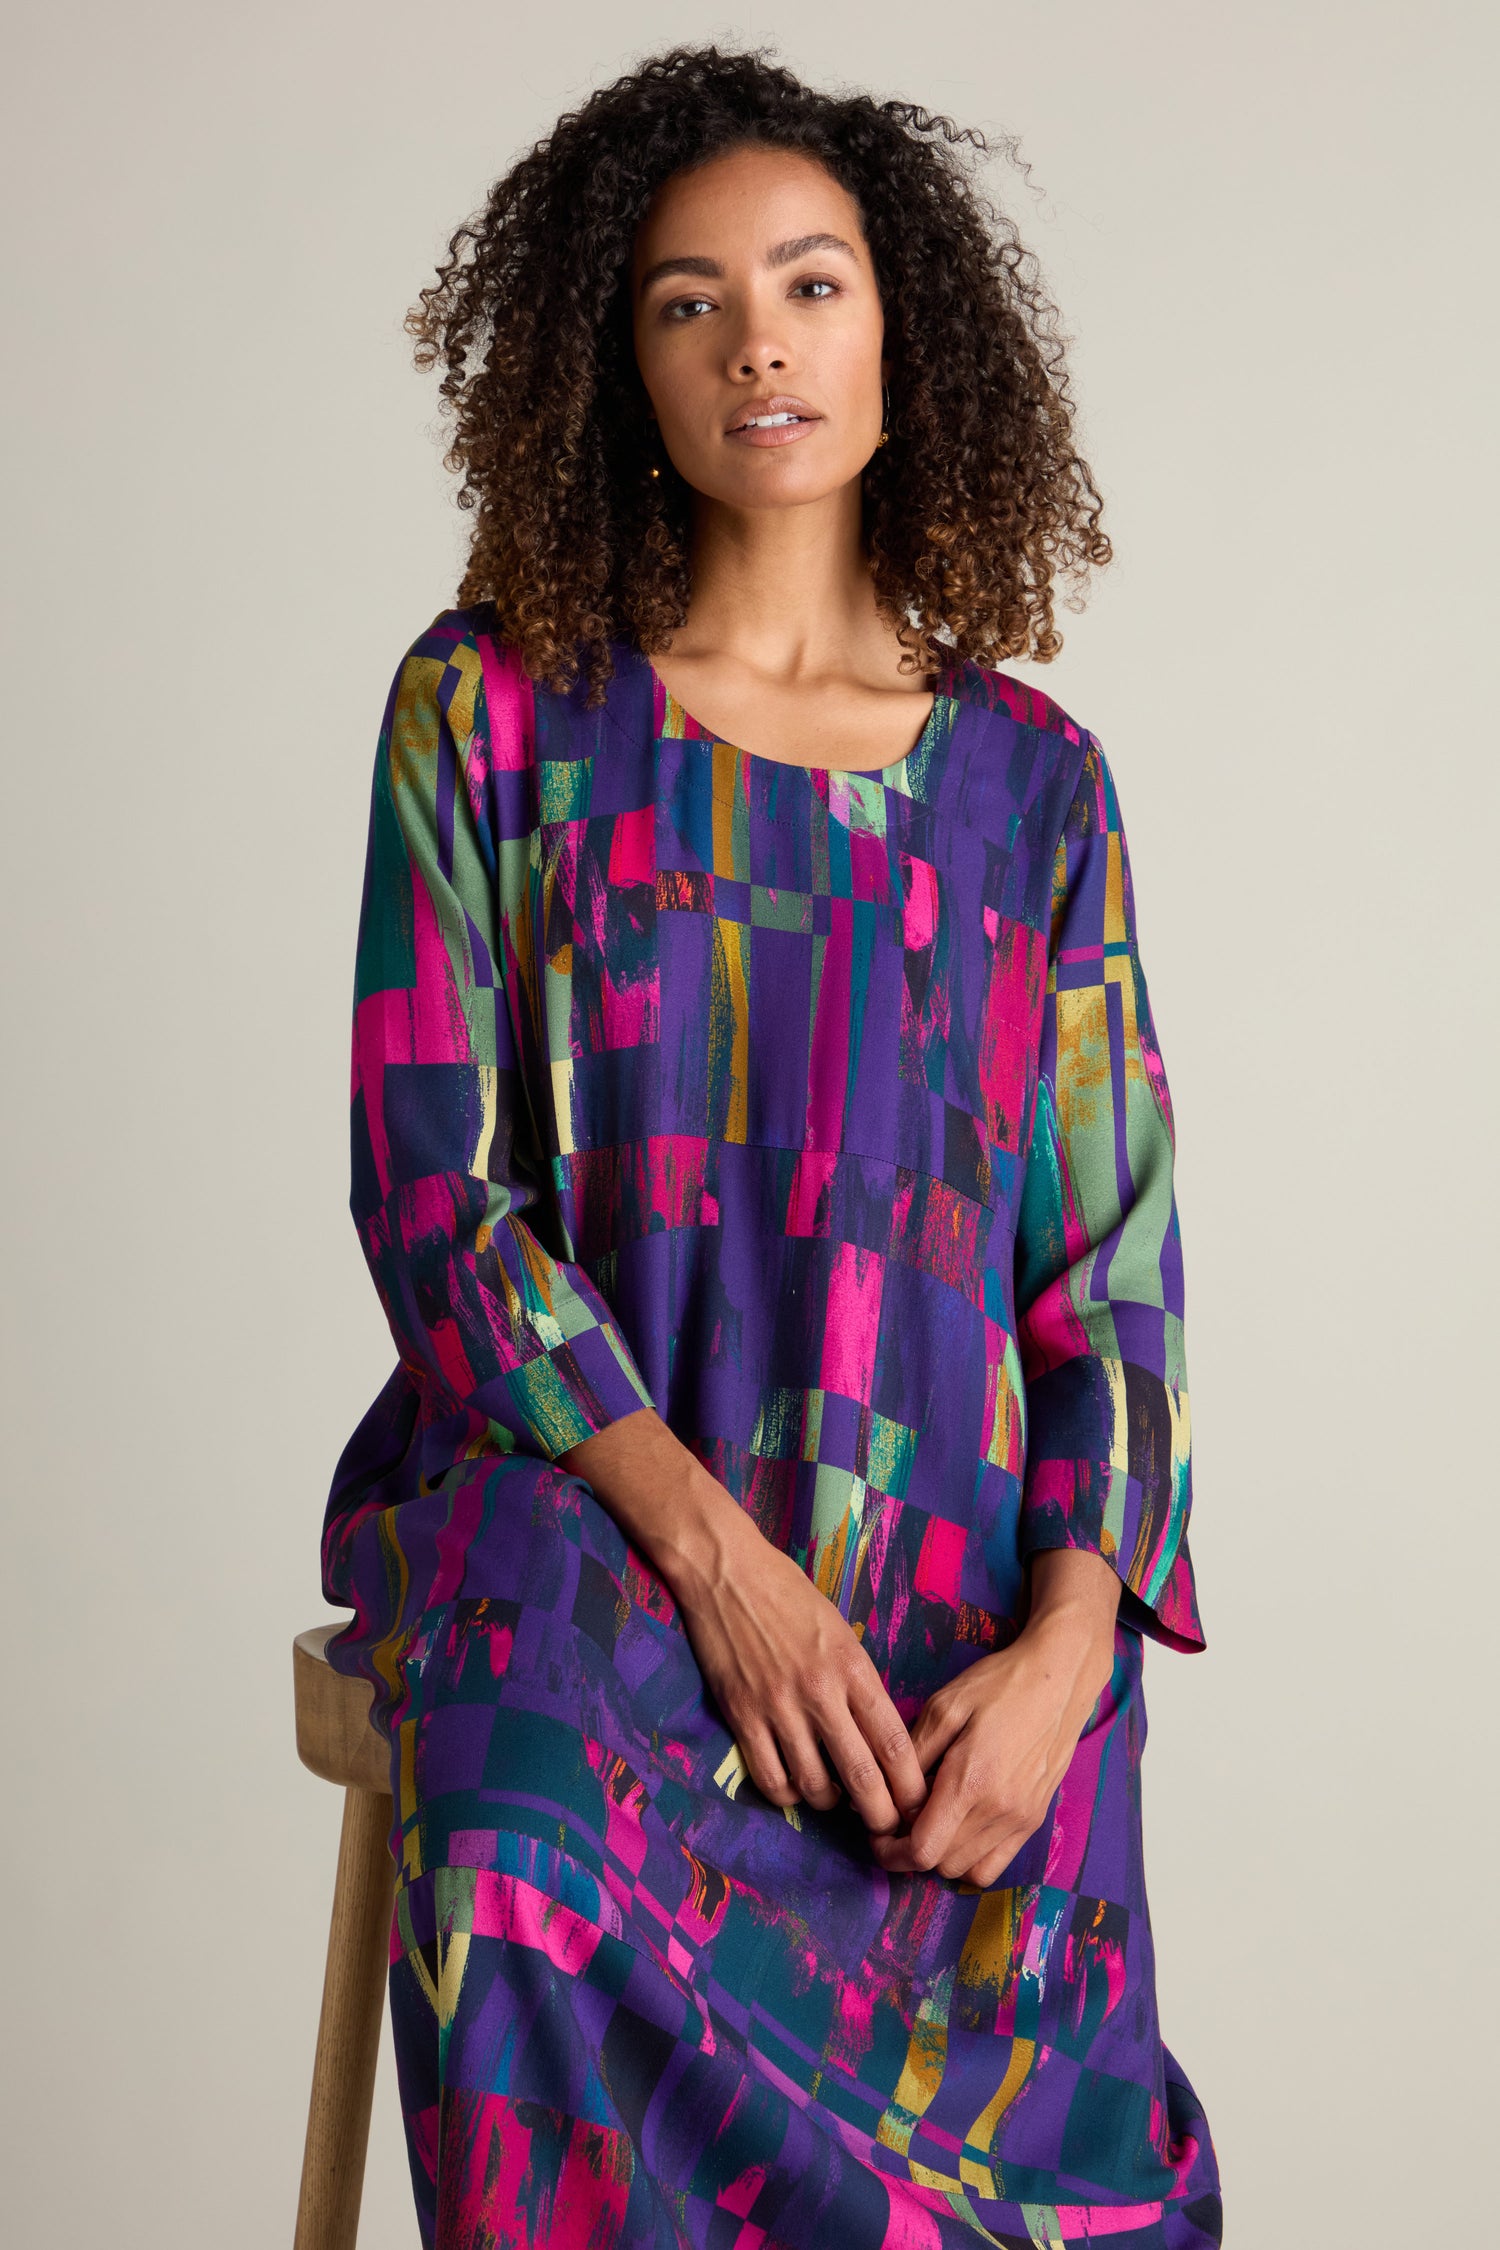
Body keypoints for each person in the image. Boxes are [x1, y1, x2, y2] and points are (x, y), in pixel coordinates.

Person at [320, 42, 1221, 2250]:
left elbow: (1105, 1269)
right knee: (511, 1809)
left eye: (809, 285)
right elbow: (437, 1187)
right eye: (686, 300)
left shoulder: (1035, 790)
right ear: (616, 367)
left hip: (950, 1623)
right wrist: (715, 1572)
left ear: (904, 330)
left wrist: (1073, 1643)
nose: (757, 341)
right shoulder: (494, 709)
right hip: (615, 1551)